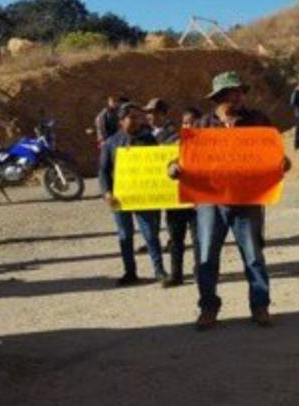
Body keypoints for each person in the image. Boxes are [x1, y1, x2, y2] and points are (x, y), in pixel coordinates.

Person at [170, 71, 288, 330]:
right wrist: (175, 168)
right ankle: (208, 308)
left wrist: (281, 163)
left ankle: (260, 306)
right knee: (207, 257)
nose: (237, 98)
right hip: (210, 203)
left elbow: (275, 154)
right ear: (219, 97)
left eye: (239, 93)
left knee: (253, 256)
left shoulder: (258, 120)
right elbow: (181, 159)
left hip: (247, 200)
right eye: (231, 94)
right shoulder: (201, 126)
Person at [99, 102, 167, 286]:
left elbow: (157, 166)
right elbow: (104, 171)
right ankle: (130, 272)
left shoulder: (149, 140)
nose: (137, 120)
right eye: (132, 117)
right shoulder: (111, 144)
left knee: (151, 235)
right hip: (120, 199)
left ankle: (159, 271)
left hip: (143, 196)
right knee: (124, 236)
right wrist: (106, 193)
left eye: (138, 117)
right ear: (121, 121)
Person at [144, 98, 197, 288]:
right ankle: (176, 274)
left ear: (164, 114)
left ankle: (200, 270)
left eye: (154, 112)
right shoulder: (145, 135)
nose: (150, 116)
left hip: (193, 195)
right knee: (175, 238)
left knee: (198, 236)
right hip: (171, 195)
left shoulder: (176, 134)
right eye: (148, 113)